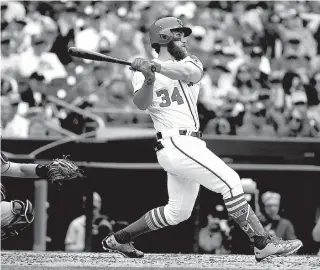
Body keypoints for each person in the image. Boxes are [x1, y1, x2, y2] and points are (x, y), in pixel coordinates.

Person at [101, 17, 302, 261]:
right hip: (175, 141)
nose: (184, 39)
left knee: (178, 213)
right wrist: (149, 78)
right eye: (178, 34)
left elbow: (191, 73)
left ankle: (120, 239)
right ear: (163, 37)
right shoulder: (142, 73)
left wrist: (156, 68)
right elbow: (142, 104)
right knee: (231, 181)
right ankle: (261, 242)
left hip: (188, 143)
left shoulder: (189, 61)